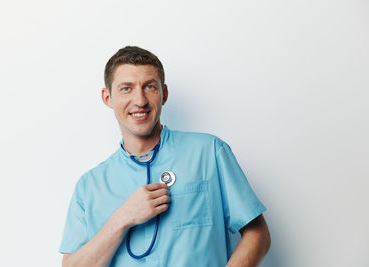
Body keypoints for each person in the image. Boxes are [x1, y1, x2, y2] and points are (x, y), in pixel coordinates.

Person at [59, 46, 271, 267]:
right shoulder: (90, 186)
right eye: (126, 88)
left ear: (164, 94)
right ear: (108, 97)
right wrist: (122, 218)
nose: (139, 100)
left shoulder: (209, 152)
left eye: (149, 87)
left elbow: (258, 234)